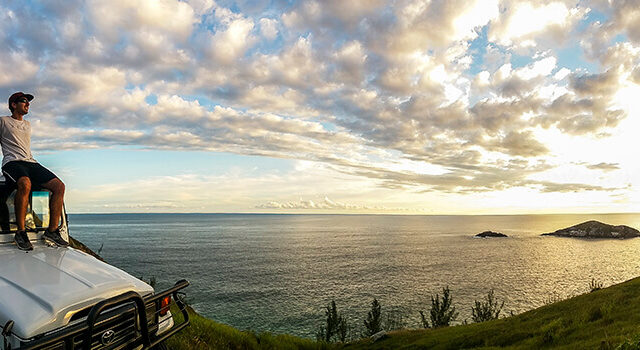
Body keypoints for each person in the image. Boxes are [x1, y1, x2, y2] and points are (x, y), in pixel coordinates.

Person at [2, 92, 68, 250]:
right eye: (24, 101)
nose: (27, 104)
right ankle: (21, 232)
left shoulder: (28, 125)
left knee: (60, 186)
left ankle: (52, 231)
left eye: (28, 102)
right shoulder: (3, 121)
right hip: (12, 162)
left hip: (31, 162)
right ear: (13, 104)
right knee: (25, 183)